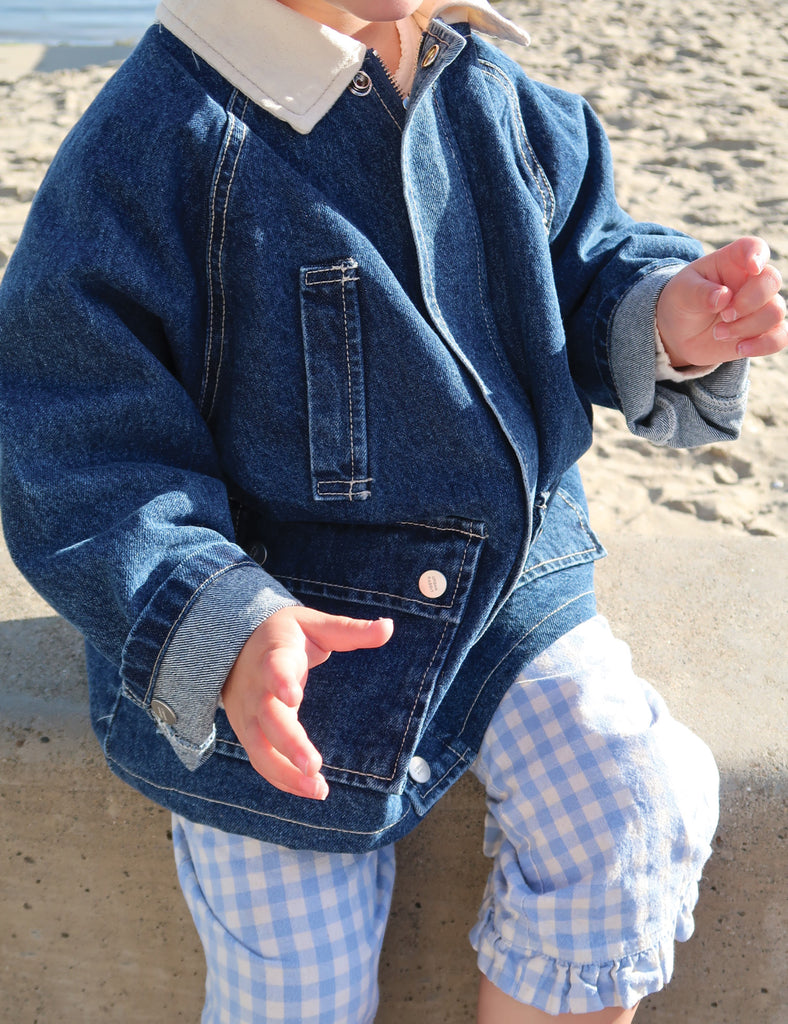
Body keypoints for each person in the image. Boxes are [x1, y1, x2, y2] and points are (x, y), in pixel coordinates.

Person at [0, 0, 785, 1019]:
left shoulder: (490, 90)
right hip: (277, 627)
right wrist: (212, 617)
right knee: (292, 962)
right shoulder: (161, 135)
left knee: (630, 804)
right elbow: (75, 429)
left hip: (504, 587)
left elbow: (583, 266)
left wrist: (668, 316)